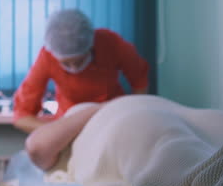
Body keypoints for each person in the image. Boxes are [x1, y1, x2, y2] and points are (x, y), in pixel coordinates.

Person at [13, 9, 149, 133]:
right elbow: (21, 115)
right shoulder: (47, 57)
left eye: (78, 61)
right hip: (69, 122)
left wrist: (134, 116)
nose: (74, 68)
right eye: (66, 63)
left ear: (91, 46)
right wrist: (56, 131)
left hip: (112, 117)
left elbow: (140, 80)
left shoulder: (110, 43)